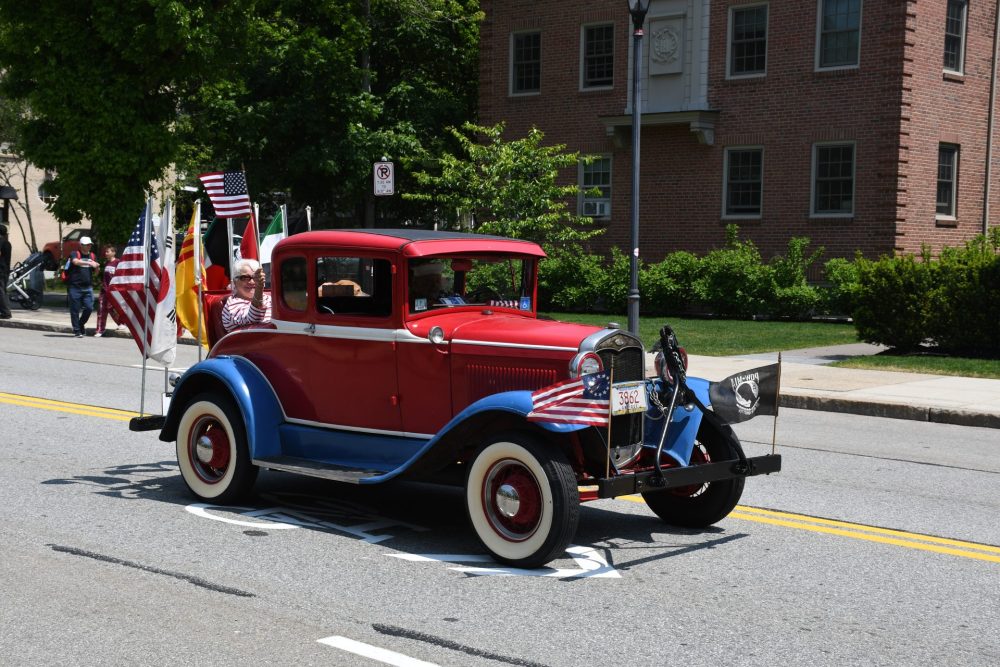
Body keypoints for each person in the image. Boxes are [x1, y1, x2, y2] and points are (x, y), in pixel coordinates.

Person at [222, 258, 272, 332]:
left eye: (255, 277)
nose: (252, 282)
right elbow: (254, 317)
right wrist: (259, 287)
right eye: (245, 278)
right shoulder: (232, 304)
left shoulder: (270, 298)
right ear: (235, 282)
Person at [66, 236, 99, 337]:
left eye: (90, 245)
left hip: (87, 287)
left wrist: (97, 267)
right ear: (81, 245)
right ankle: (77, 330)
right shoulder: (75, 253)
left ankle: (80, 324)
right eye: (86, 245)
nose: (89, 246)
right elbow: (75, 261)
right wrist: (89, 263)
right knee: (75, 310)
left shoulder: (92, 256)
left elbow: (96, 272)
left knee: (89, 308)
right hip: (75, 287)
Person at [94, 244, 120, 337]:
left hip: (114, 291)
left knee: (112, 308)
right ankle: (100, 330)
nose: (106, 253)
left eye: (108, 251)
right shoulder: (106, 263)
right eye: (105, 251)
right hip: (104, 290)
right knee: (101, 309)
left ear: (113, 253)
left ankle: (121, 323)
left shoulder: (118, 263)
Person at [0, 225, 12, 319]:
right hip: (4, 270)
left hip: (1, 271)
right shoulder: (6, 243)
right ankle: (5, 311)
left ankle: (6, 312)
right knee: (2, 291)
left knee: (1, 291)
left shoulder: (3, 243)